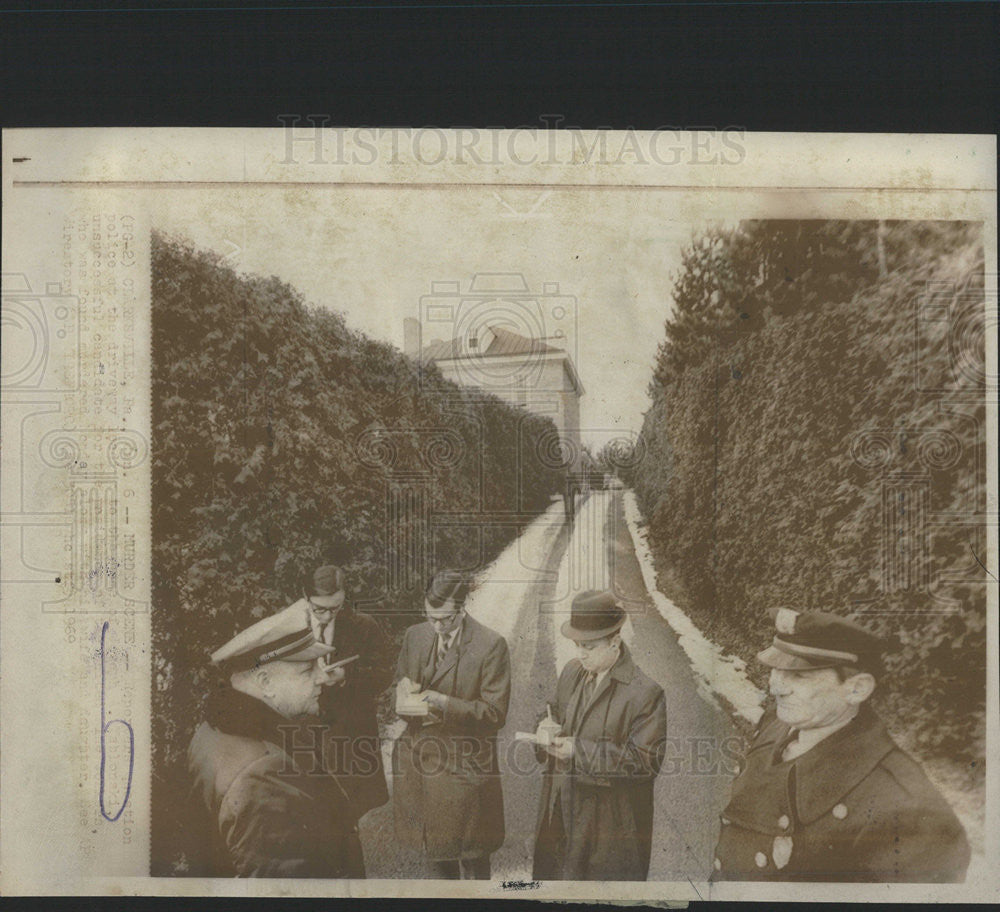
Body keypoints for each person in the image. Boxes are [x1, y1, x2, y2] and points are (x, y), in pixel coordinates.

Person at [712, 608, 971, 883]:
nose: (776, 687)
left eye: (798, 676)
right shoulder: (779, 723)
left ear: (856, 689)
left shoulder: (910, 810)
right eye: (776, 669)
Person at [187, 610, 366, 877]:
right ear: (265, 682)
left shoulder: (215, 727)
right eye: (308, 670)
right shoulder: (261, 777)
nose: (322, 677)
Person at [532, 590, 667, 881]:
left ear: (615, 642)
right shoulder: (572, 671)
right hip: (561, 812)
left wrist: (578, 751)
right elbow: (553, 711)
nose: (580, 653)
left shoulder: (645, 693)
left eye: (589, 646)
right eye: (578, 645)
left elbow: (645, 763)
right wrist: (543, 727)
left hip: (609, 828)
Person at [392, 570, 511, 879]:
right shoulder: (415, 636)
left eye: (445, 619)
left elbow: (495, 714)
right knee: (434, 850)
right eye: (431, 617)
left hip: (464, 763)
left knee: (471, 853)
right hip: (423, 759)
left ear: (462, 608)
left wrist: (444, 703)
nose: (437, 626)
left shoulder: (490, 645)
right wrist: (403, 694)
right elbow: (402, 682)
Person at [280, 564, 393, 819]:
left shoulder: (363, 626)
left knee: (350, 811)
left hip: (350, 737)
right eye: (320, 609)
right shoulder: (288, 628)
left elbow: (384, 674)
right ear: (305, 597)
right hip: (303, 736)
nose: (327, 616)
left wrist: (346, 678)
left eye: (336, 608)